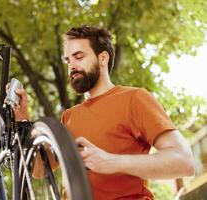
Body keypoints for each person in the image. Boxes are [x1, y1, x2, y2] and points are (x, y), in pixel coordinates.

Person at [12, 25, 195, 200]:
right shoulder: (69, 116)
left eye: (79, 56)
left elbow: (184, 161)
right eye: (68, 60)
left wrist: (110, 162)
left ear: (103, 58)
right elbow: (38, 170)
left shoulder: (134, 98)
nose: (72, 66)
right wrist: (22, 122)